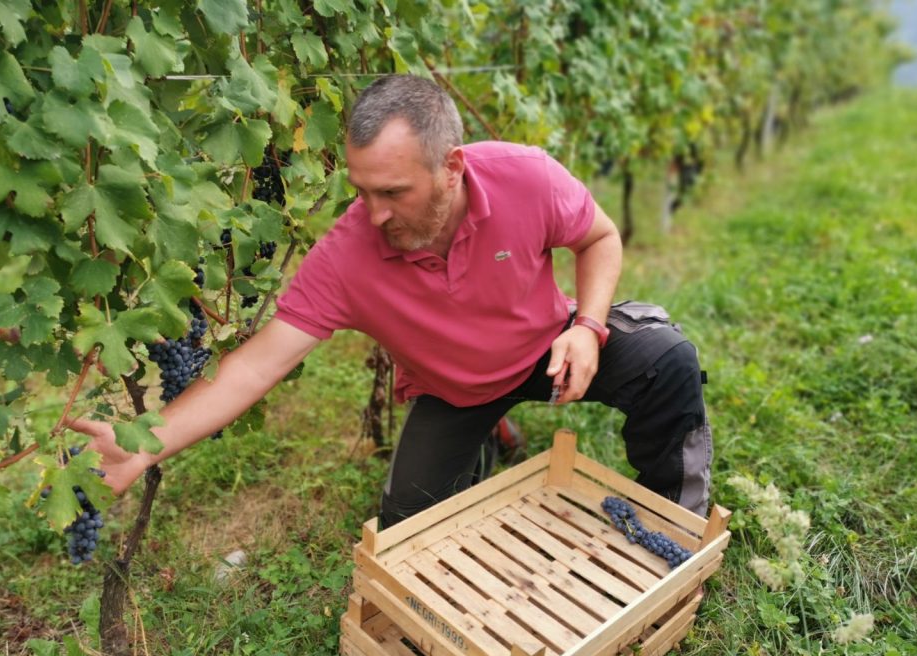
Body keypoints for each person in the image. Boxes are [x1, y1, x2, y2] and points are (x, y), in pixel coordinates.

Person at [70, 74, 712, 526]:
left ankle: (675, 524)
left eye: (394, 192)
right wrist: (148, 442)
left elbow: (599, 236)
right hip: (456, 391)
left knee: (667, 357)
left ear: (453, 165)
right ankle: (487, 430)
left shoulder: (526, 177)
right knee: (407, 524)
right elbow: (257, 365)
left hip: (548, 347)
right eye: (362, 190)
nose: (372, 213)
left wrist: (590, 327)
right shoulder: (348, 255)